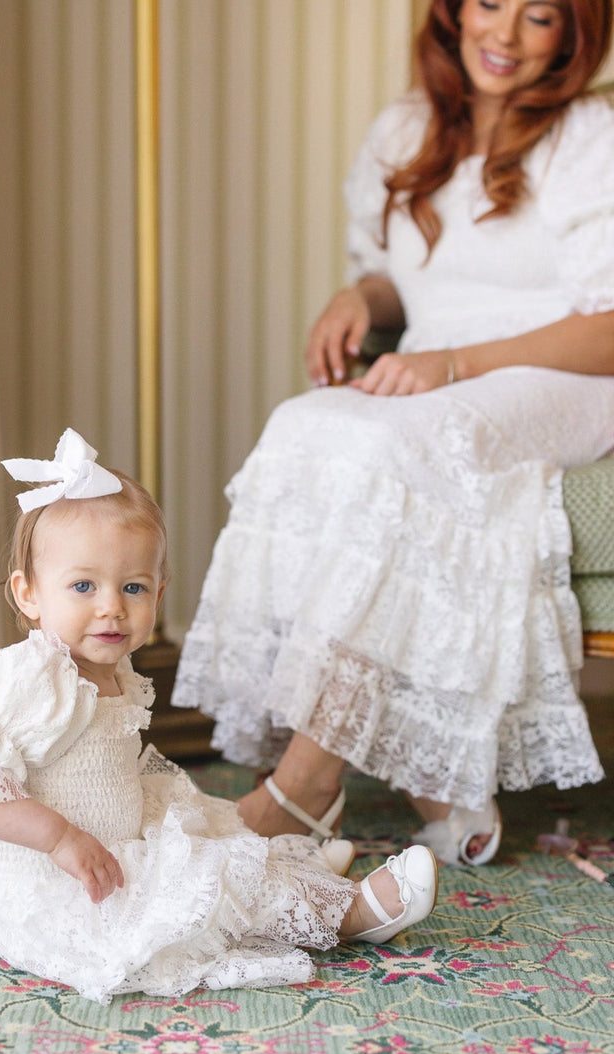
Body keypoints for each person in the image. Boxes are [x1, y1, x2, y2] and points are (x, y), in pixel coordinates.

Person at [171, 0, 614, 866]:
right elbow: (397, 279)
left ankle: (302, 790)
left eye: (540, 16)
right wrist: (360, 298)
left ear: (573, 34)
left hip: (565, 375)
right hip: (435, 368)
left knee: (393, 450)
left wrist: (455, 363)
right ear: (451, 11)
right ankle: (437, 787)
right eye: (490, 4)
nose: (505, 34)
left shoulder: (591, 133)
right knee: (302, 426)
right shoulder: (405, 127)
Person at [0, 428, 438, 1005]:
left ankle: (302, 882)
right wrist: (60, 838)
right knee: (204, 885)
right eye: (83, 585)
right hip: (65, 884)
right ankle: (350, 915)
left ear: (159, 595)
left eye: (133, 587)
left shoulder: (107, 668)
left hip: (116, 841)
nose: (111, 606)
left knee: (212, 835)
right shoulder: (31, 678)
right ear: (29, 594)